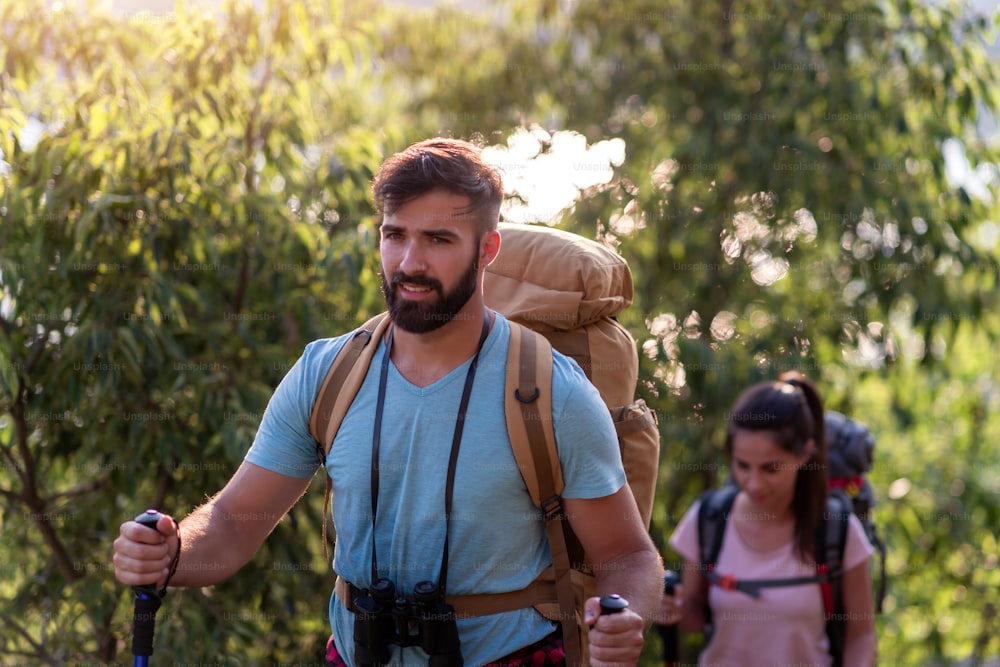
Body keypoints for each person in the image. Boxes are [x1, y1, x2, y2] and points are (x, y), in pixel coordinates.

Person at [112, 138, 663, 667]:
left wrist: (624, 618)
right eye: (394, 235)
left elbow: (627, 556)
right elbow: (234, 521)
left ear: (487, 249)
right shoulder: (328, 374)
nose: (409, 262)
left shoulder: (553, 391)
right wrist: (170, 554)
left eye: (439, 240)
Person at [659, 372, 876, 667]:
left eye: (771, 468)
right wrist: (670, 607)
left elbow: (860, 634)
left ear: (805, 454)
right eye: (742, 466)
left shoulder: (836, 529)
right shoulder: (708, 519)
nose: (754, 483)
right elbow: (694, 617)